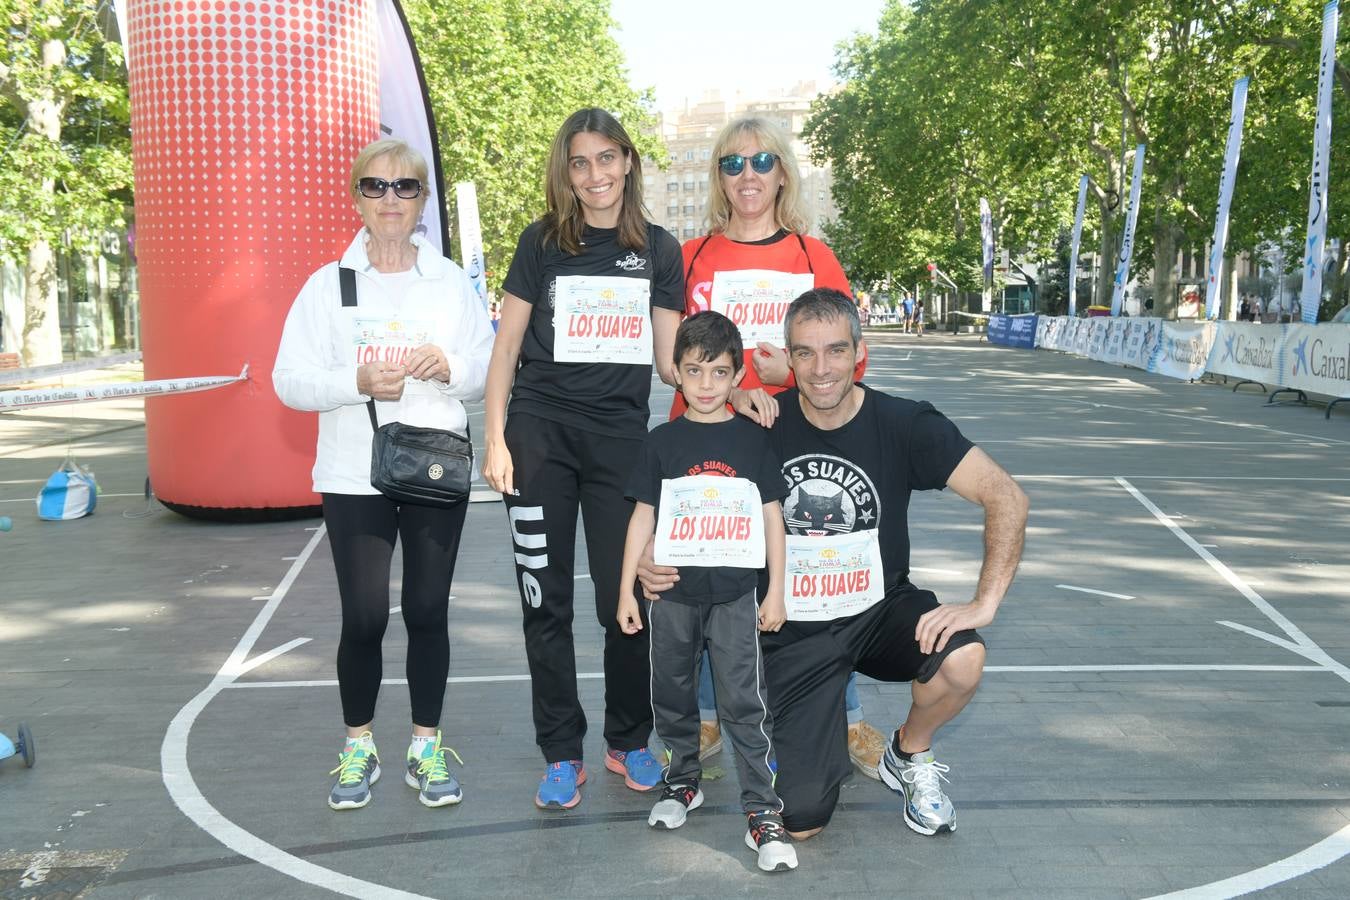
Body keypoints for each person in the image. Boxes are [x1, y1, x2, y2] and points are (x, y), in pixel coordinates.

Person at [639, 288, 1028, 840]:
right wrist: (652, 558)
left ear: (859, 352)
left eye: (836, 351)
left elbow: (1006, 495)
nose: (821, 369)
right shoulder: (757, 425)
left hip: (879, 610)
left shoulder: (905, 423)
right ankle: (805, 739)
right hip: (792, 630)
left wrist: (984, 604)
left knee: (963, 660)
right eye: (804, 353)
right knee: (798, 822)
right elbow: (685, 499)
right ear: (787, 359)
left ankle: (909, 753)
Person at [274, 139, 495, 811]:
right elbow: (289, 381)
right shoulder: (327, 285)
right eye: (375, 187)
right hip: (351, 473)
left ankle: (425, 747)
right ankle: (358, 747)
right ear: (357, 198)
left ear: (423, 200)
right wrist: (357, 380)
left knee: (428, 612)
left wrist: (449, 367)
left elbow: (485, 372)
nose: (390, 199)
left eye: (405, 187)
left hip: (433, 461)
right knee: (364, 619)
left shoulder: (451, 281)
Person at [673, 115, 887, 778]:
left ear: (782, 172)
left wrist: (786, 376)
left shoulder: (812, 256)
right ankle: (707, 714)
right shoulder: (690, 256)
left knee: (813, 569)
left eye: (762, 161)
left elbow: (849, 360)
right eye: (733, 164)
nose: (748, 175)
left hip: (794, 437)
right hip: (705, 436)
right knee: (710, 576)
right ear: (718, 176)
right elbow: (670, 356)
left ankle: (846, 715)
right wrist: (733, 388)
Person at [482, 108, 684, 809]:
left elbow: (669, 362)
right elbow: (505, 348)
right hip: (539, 436)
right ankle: (560, 753)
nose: (595, 174)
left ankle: (628, 742)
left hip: (621, 445)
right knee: (546, 602)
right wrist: (496, 437)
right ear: (565, 173)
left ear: (628, 162)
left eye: (607, 158)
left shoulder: (659, 249)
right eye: (580, 162)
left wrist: (739, 389)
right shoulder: (541, 242)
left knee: (624, 598)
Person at [616, 311, 798, 872]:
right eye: (694, 371)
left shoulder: (752, 441)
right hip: (671, 594)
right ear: (675, 371)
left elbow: (773, 517)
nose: (706, 384)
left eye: (719, 373)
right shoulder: (662, 442)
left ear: (737, 374)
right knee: (671, 694)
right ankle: (682, 780)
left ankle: (763, 812)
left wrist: (777, 592)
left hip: (735, 595)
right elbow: (641, 518)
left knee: (743, 701)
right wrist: (626, 590)